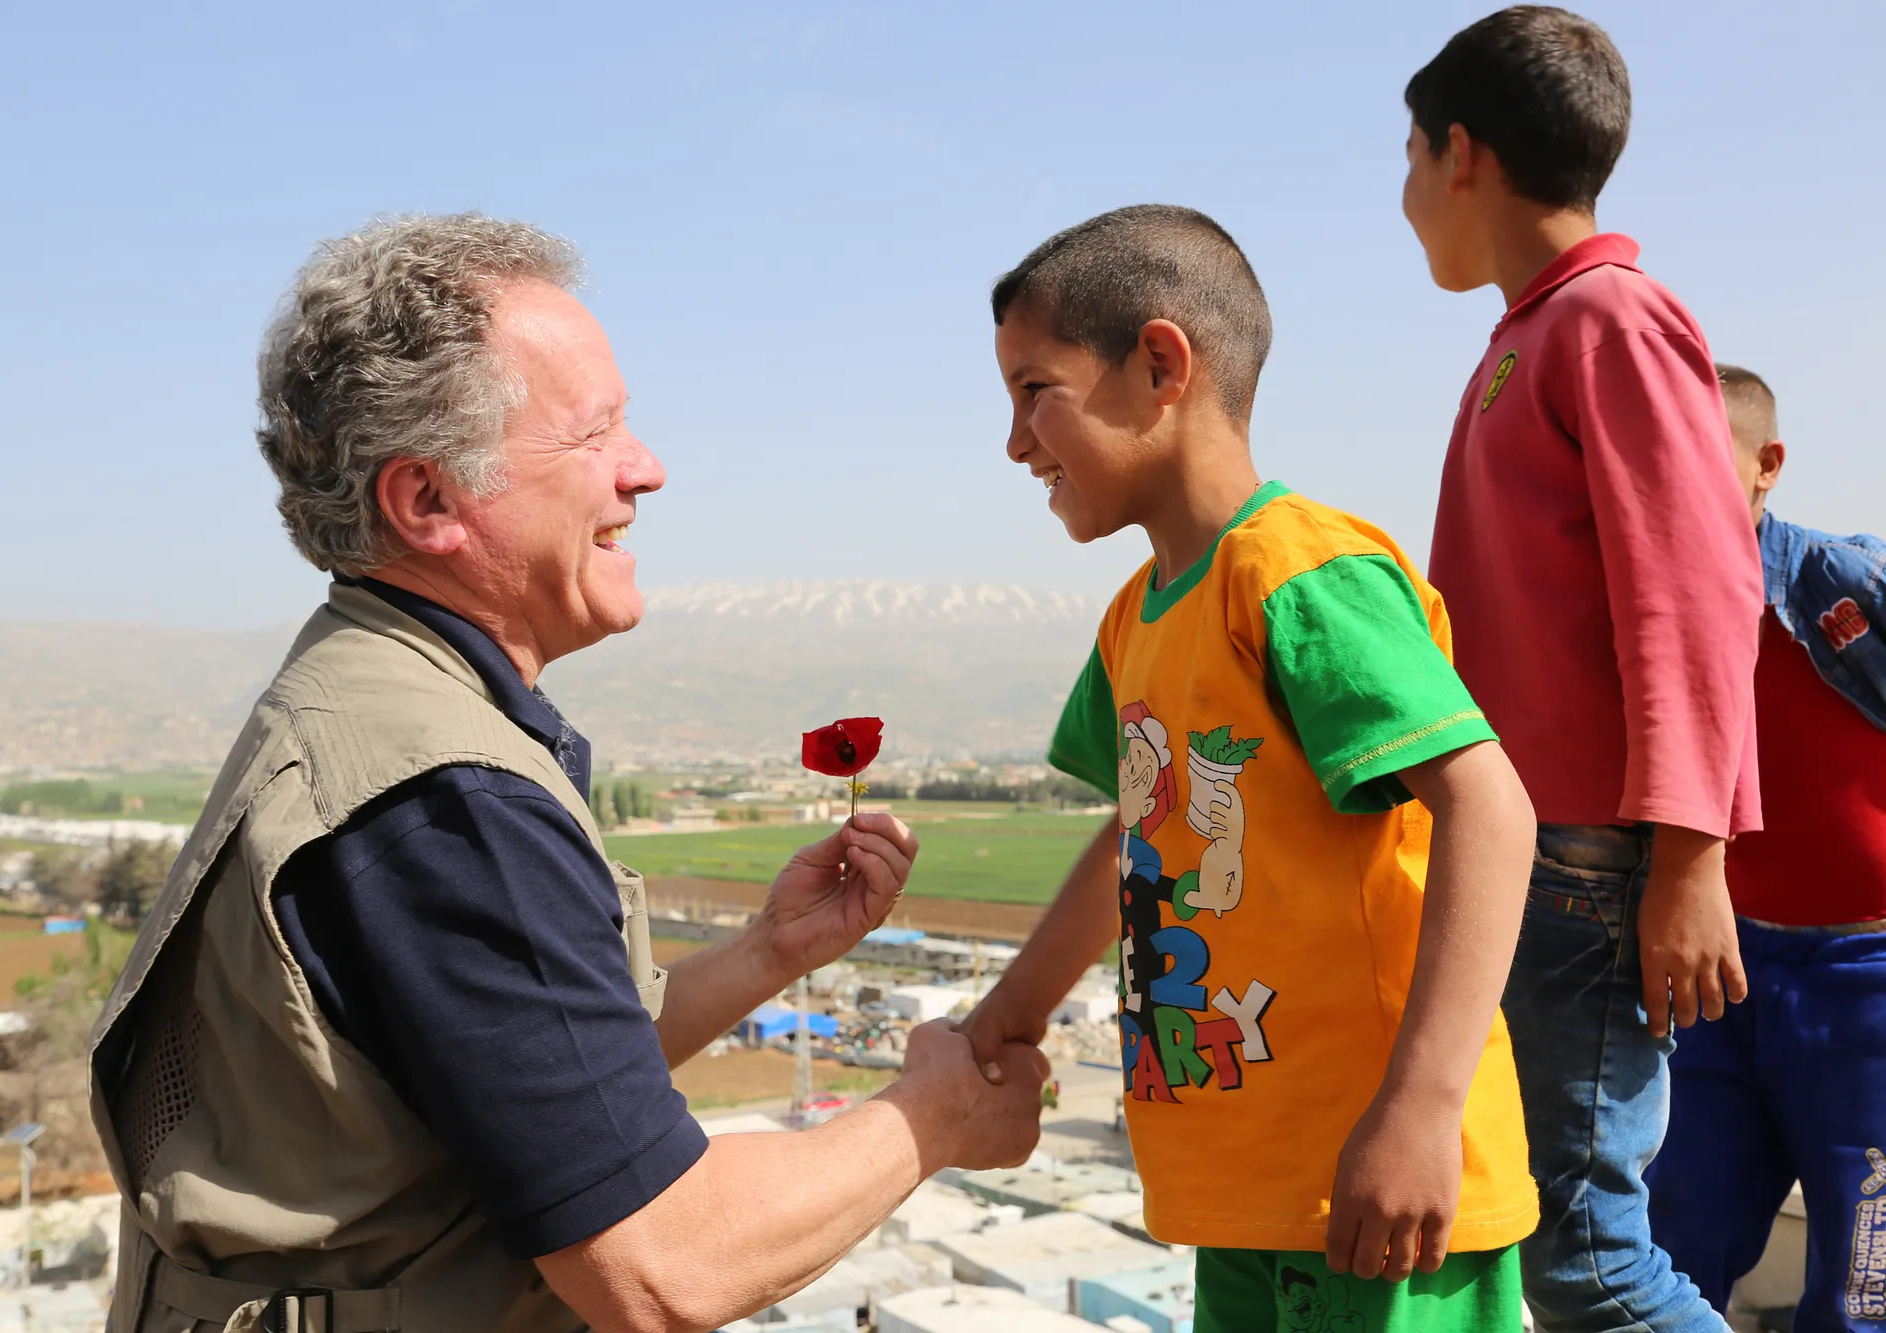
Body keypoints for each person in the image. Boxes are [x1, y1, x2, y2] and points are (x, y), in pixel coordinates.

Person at [87, 214, 1050, 1333]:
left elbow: (535, 1099)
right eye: (594, 434)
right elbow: (663, 1262)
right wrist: (933, 1118)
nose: (645, 470)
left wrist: (766, 953)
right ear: (427, 502)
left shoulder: (375, 701)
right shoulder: (442, 804)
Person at [959, 204, 1541, 1332]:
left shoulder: (1297, 575)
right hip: (1245, 1190)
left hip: (1378, 1194)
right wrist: (1011, 1011)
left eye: (1035, 390)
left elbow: (1488, 809)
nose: (1017, 442)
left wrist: (1419, 1108)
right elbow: (1135, 833)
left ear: (1159, 363)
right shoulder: (1134, 618)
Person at [1401, 9, 1764, 1331]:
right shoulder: (1525, 335)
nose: (1404, 197)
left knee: (1591, 1261)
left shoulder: (1611, 318)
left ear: (1462, 155)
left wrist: (1691, 857)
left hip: (1594, 865)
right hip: (1532, 854)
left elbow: (1695, 595)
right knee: (1532, 1238)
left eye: (1408, 156)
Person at [1647, 365, 1886, 1330]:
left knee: (1863, 1289)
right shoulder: (1640, 612)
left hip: (1866, 979)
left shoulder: (1840, 583)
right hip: (1722, 973)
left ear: (1766, 466)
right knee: (1661, 1250)